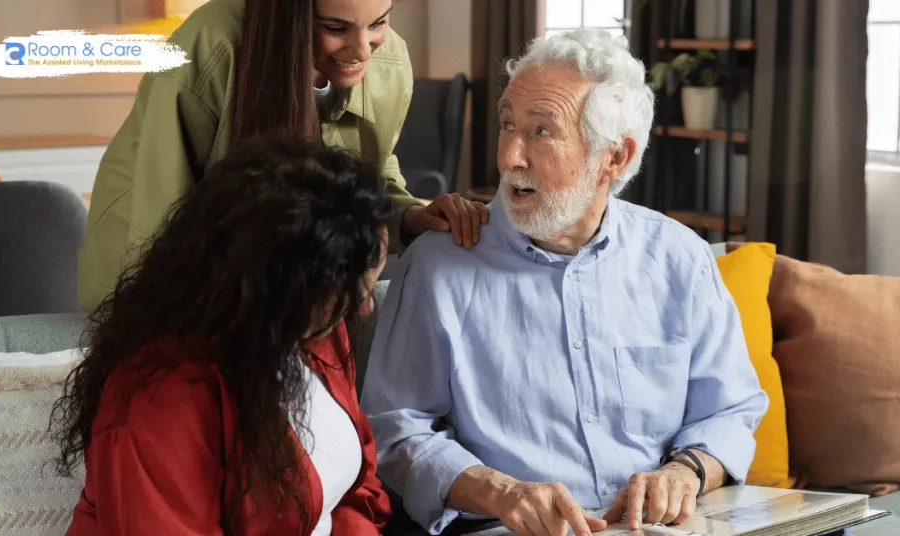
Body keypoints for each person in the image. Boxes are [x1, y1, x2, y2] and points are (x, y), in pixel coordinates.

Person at [361, 29, 769, 536]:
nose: (510, 156)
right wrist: (500, 491)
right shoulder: (440, 264)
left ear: (614, 158)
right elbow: (395, 429)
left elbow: (730, 407)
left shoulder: (678, 258)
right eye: (507, 125)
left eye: (541, 132)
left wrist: (684, 471)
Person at [53, 135, 393, 535]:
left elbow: (358, 490)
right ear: (280, 288)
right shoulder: (161, 393)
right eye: (355, 292)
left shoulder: (318, 332)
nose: (366, 307)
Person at [78, 0, 487, 311]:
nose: (363, 49)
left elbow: (373, 170)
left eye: (379, 21)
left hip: (282, 281)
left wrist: (408, 216)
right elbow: (159, 219)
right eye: (334, 26)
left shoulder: (389, 64)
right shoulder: (209, 48)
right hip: (159, 267)